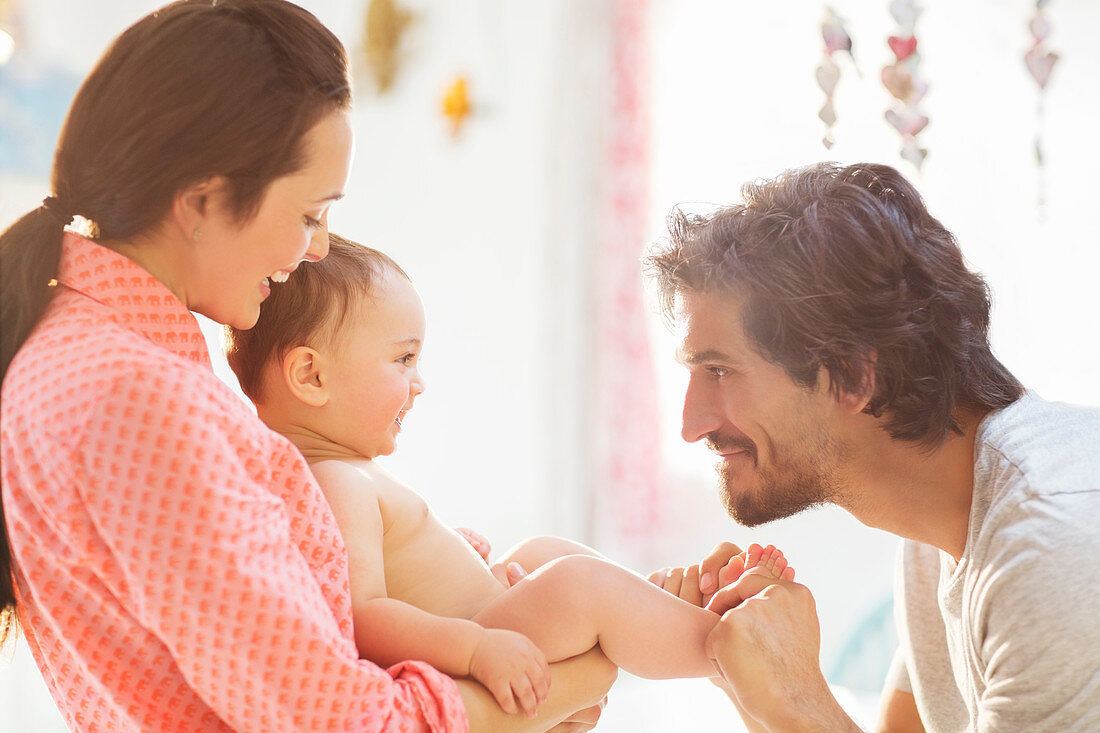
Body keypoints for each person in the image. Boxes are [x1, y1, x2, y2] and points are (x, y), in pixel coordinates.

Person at [0, 2, 615, 731]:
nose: (318, 248)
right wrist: (583, 667)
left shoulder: (77, 353)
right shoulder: (136, 397)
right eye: (309, 214)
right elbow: (343, 723)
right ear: (201, 200)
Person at [223, 234, 796, 719]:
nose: (418, 383)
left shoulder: (342, 474)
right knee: (578, 586)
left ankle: (657, 609)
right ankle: (723, 648)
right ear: (311, 376)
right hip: (473, 638)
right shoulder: (338, 482)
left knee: (542, 551)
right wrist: (475, 649)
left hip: (486, 617)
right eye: (402, 360)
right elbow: (365, 617)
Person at [643, 161, 1100, 732]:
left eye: (720, 370)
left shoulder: (1054, 547)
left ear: (856, 378)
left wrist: (797, 697)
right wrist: (742, 673)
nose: (690, 424)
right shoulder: (939, 533)